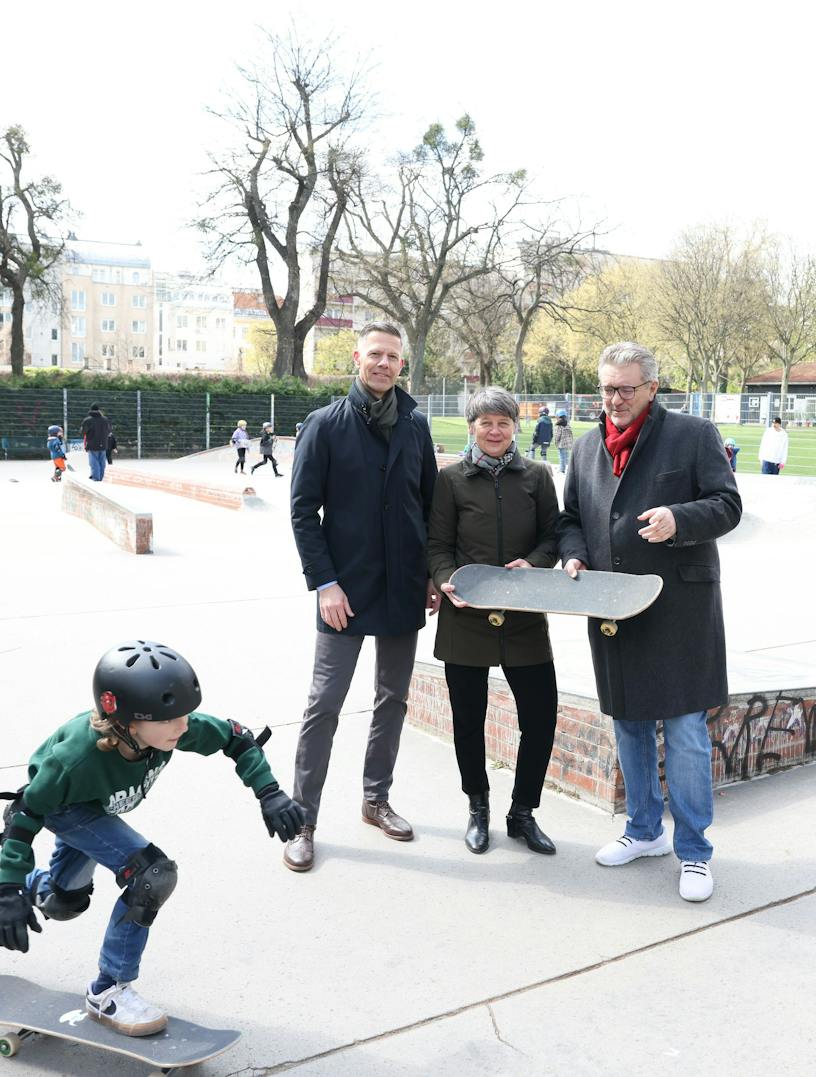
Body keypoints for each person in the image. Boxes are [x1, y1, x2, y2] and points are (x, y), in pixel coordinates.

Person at [0, 641, 302, 1037]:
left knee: (63, 902)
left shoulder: (171, 728)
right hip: (64, 808)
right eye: (169, 720)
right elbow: (25, 815)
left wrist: (269, 792)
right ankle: (109, 991)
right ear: (127, 721)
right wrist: (11, 885)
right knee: (152, 875)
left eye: (184, 715)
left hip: (96, 809)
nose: (182, 727)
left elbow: (237, 740)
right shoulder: (74, 760)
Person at [560, 342, 742, 902]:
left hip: (678, 612)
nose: (614, 400)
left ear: (652, 389)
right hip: (614, 610)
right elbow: (571, 519)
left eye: (626, 389)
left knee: (685, 732)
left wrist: (678, 519)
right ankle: (643, 831)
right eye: (607, 389)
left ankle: (694, 852)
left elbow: (728, 504)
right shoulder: (588, 447)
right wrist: (574, 556)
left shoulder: (692, 435)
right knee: (629, 724)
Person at [284, 320, 439, 873]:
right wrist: (324, 582)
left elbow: (429, 506)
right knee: (323, 705)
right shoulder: (324, 426)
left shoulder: (415, 428)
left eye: (393, 356)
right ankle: (302, 819)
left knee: (392, 700)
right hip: (341, 592)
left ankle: (376, 800)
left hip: (402, 589)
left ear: (403, 365)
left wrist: (429, 574)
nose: (383, 363)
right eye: (375, 354)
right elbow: (303, 512)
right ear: (357, 358)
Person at [427, 387, 562, 856]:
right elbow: (438, 544)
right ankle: (478, 808)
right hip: (466, 618)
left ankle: (522, 813)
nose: (494, 430)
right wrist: (446, 580)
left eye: (503, 422)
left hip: (524, 618)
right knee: (469, 721)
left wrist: (536, 562)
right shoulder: (451, 481)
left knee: (541, 718)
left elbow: (553, 535)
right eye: (485, 422)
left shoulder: (538, 476)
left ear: (515, 427)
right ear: (472, 428)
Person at [80, 405, 111, 482]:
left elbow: (83, 431)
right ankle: (101, 477)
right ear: (99, 410)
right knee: (102, 461)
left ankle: (96, 478)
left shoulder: (87, 420)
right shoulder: (105, 420)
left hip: (92, 444)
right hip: (103, 444)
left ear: (90, 410)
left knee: (94, 461)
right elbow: (109, 430)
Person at [552, 409, 574, 474]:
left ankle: (562, 470)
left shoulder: (558, 425)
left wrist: (555, 442)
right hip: (568, 444)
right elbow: (570, 434)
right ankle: (567, 469)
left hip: (561, 444)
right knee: (566, 456)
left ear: (558, 416)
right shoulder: (567, 424)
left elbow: (557, 435)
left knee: (561, 457)